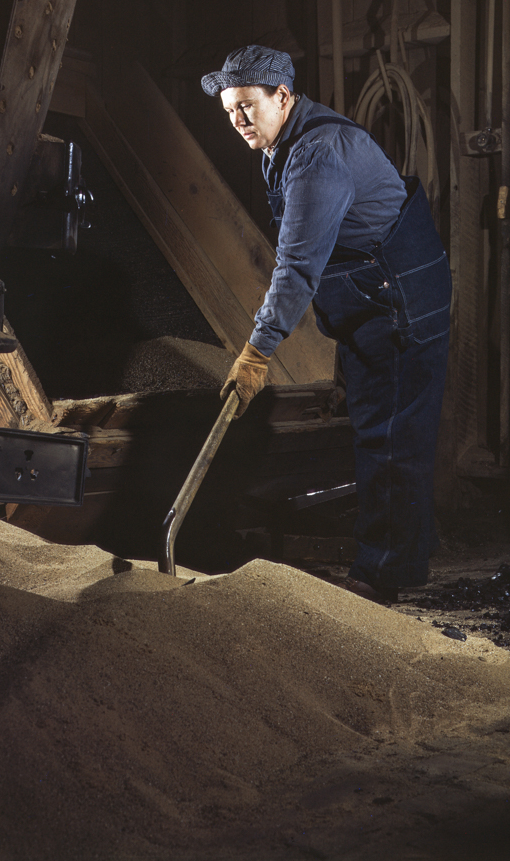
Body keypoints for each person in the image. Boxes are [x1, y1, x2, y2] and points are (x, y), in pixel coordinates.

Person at [201, 45, 451, 603]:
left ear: (283, 97)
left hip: (400, 302)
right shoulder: (281, 143)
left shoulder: (317, 155)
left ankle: (385, 574)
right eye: (229, 112)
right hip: (371, 300)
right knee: (380, 424)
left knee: (388, 435)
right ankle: (410, 545)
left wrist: (258, 351)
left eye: (247, 107)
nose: (238, 122)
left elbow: (297, 267)